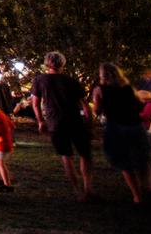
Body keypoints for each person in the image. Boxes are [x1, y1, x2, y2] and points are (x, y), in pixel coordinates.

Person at [30, 51, 94, 202]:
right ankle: (88, 188)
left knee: (67, 156)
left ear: (47, 63)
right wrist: (90, 124)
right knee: (85, 155)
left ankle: (78, 192)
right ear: (62, 63)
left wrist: (41, 121)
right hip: (75, 121)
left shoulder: (40, 80)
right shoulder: (71, 81)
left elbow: (35, 104)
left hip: (56, 123)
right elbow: (85, 106)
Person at [92, 62, 149, 204]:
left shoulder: (100, 90)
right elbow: (139, 106)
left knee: (124, 163)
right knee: (140, 159)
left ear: (102, 75)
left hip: (116, 128)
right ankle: (146, 189)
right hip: (135, 126)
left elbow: (97, 110)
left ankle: (137, 196)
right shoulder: (128, 88)